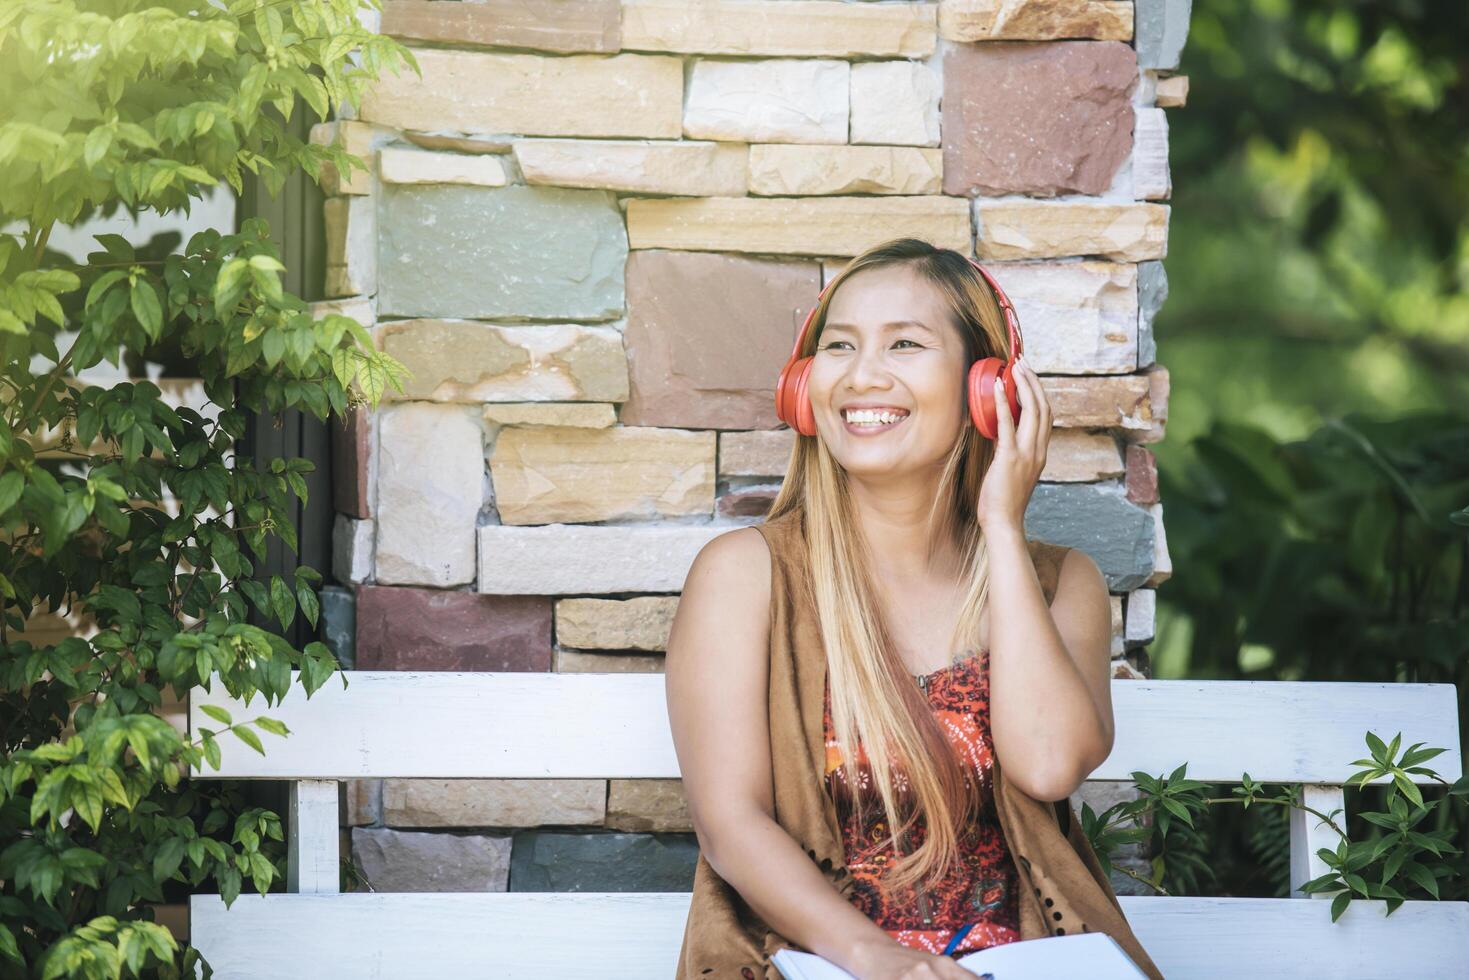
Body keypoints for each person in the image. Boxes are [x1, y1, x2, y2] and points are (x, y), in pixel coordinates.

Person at [665, 238, 1133, 980]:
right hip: (816, 965)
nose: (861, 376)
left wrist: (1003, 532)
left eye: (905, 344)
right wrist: (874, 959)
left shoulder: (1056, 584)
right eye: (839, 346)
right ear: (802, 385)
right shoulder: (746, 577)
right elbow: (731, 824)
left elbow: (1048, 767)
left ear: (988, 389)